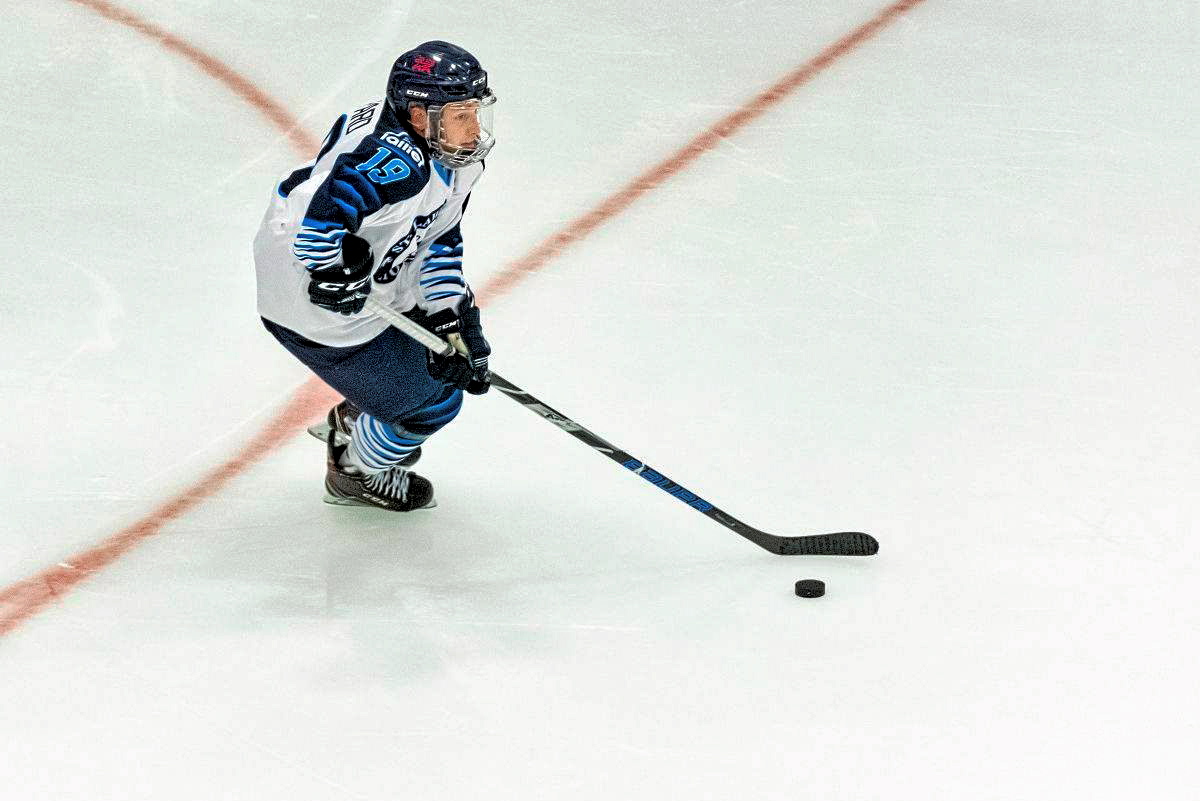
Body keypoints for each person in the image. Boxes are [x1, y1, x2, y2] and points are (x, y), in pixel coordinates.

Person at [252, 41, 497, 511]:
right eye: (461, 115)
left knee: (439, 360)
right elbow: (317, 229)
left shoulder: (447, 156)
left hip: (372, 270)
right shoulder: (398, 163)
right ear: (421, 116)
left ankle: (364, 411)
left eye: (474, 112)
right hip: (307, 301)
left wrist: (452, 318)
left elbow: (437, 239)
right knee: (434, 403)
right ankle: (353, 470)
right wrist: (332, 269)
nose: (474, 129)